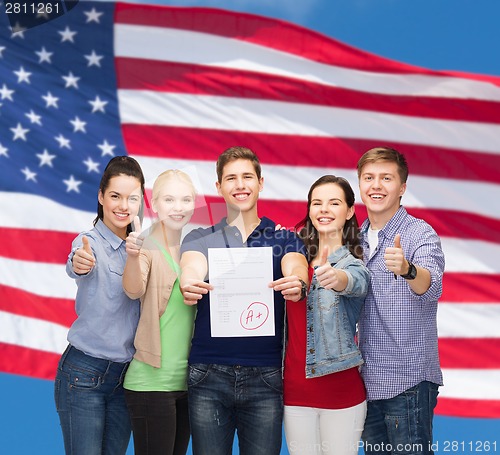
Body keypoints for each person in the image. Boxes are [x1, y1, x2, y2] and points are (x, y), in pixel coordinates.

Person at [179, 146, 309, 455]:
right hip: (207, 374)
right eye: (231, 178)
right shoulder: (199, 237)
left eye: (247, 177)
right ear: (219, 187)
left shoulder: (284, 238)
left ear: (261, 183)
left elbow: (296, 265)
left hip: (265, 376)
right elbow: (192, 265)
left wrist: (298, 281)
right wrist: (188, 280)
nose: (240, 185)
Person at [356, 147, 445, 455]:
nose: (376, 186)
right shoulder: (355, 239)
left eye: (386, 178)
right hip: (366, 381)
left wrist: (407, 269)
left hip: (407, 381)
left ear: (402, 187)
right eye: (369, 178)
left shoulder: (420, 234)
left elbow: (431, 284)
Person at [54, 156, 145, 455]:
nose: (123, 206)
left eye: (132, 198)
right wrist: (79, 263)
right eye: (115, 196)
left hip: (125, 377)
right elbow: (77, 263)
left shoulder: (144, 248)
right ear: (101, 196)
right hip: (83, 373)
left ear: (141, 200)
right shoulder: (88, 242)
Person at [283, 175, 370, 455]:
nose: (324, 209)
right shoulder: (292, 258)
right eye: (317, 203)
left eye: (334, 203)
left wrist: (337, 277)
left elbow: (356, 281)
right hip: (294, 393)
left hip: (341, 394)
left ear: (349, 211)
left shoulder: (352, 263)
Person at [122, 169, 197, 455]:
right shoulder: (146, 245)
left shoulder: (195, 247)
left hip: (187, 382)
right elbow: (133, 288)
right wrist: (132, 255)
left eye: (185, 199)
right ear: (153, 203)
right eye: (169, 199)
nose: (178, 207)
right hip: (151, 382)